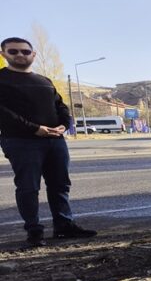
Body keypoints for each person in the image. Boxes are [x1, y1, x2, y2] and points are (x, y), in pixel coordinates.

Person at [0, 37, 96, 247]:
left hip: (55, 140)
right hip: (21, 141)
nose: (20, 55)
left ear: (33, 55)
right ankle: (34, 232)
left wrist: (64, 125)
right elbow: (4, 113)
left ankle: (64, 226)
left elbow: (60, 106)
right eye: (13, 51)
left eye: (25, 51)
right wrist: (35, 129)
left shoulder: (44, 81)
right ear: (3, 54)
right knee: (28, 187)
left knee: (60, 184)